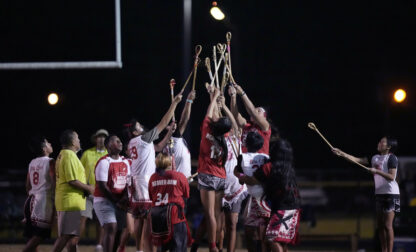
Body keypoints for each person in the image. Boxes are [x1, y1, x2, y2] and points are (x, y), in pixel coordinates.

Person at [127, 93, 182, 252]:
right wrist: (175, 104)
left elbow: (158, 147)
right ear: (136, 132)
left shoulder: (135, 142)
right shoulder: (143, 138)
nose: (141, 126)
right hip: (144, 182)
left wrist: (170, 132)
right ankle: (148, 249)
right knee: (148, 219)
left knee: (140, 218)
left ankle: (139, 249)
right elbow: (163, 122)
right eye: (138, 126)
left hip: (136, 181)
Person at [332, 137, 400, 252]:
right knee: (380, 226)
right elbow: (357, 160)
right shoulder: (375, 158)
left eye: (382, 142)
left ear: (388, 147)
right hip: (379, 194)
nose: (379, 143)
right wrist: (341, 153)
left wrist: (376, 171)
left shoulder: (392, 158)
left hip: (391, 194)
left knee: (388, 225)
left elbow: (392, 177)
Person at [197, 87, 232, 252]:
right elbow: (216, 118)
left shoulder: (207, 129)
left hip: (208, 175)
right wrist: (215, 97)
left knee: (209, 213)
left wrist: (215, 96)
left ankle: (212, 246)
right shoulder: (225, 135)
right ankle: (218, 243)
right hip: (221, 177)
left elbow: (209, 114)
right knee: (217, 214)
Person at [253, 139, 301, 252]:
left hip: (282, 209)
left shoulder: (269, 167)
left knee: (272, 238)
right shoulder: (289, 169)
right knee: (280, 242)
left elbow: (254, 178)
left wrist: (239, 175)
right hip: (294, 207)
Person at [52, 130, 95, 252]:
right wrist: (89, 188)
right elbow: (72, 180)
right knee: (65, 236)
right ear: (72, 141)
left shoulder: (63, 154)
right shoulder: (69, 155)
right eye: (77, 138)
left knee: (73, 238)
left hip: (70, 202)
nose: (79, 140)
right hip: (69, 202)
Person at [233, 132, 270, 252]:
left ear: (246, 144)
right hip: (267, 198)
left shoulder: (241, 157)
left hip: (254, 198)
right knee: (265, 231)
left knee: (249, 231)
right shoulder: (266, 157)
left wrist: (242, 177)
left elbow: (237, 173)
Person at [93, 135, 131, 252]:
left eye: (120, 141)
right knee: (111, 227)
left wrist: (125, 198)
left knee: (119, 231)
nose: (120, 143)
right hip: (104, 200)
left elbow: (128, 183)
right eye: (117, 141)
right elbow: (102, 187)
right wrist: (117, 201)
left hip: (119, 201)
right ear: (109, 145)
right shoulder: (104, 162)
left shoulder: (125, 161)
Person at [148, 153, 191, 251]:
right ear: (169, 162)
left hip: (157, 217)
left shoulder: (152, 177)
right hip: (174, 216)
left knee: (161, 247)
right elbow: (186, 194)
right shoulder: (179, 176)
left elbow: (151, 196)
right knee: (178, 247)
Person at [23, 136, 55, 252]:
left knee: (33, 236)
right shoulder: (51, 162)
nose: (50, 143)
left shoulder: (32, 162)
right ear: (43, 148)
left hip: (30, 200)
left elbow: (28, 186)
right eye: (47, 143)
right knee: (40, 235)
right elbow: (54, 182)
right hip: (43, 202)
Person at [79, 129, 109, 251]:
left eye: (104, 137)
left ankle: (99, 245)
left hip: (102, 193)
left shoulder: (109, 154)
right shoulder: (87, 153)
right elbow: (80, 171)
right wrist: (84, 186)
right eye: (99, 136)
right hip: (88, 191)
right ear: (95, 139)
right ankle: (75, 243)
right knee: (82, 218)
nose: (101, 139)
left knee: (100, 220)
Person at [228, 84, 271, 155]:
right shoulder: (247, 125)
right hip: (244, 163)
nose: (256, 110)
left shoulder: (265, 127)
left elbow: (253, 112)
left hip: (258, 163)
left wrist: (242, 92)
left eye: (259, 111)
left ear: (265, 117)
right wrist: (233, 96)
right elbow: (235, 115)